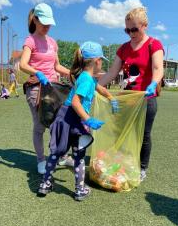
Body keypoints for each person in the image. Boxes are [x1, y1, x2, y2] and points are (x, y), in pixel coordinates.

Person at [38, 41, 118, 201]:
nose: (102, 63)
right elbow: (75, 102)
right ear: (97, 61)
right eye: (101, 60)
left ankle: (45, 184)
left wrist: (111, 98)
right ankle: (80, 190)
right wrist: (87, 119)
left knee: (56, 153)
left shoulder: (86, 77)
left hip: (66, 117)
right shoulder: (87, 80)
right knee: (78, 156)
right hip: (73, 117)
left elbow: (99, 87)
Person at [99, 7, 164, 181]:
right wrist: (94, 86)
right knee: (120, 132)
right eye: (127, 30)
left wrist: (153, 83)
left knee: (144, 135)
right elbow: (112, 72)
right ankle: (121, 162)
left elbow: (158, 69)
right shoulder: (124, 48)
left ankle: (142, 168)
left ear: (145, 26)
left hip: (146, 99)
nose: (130, 33)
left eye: (134, 29)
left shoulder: (154, 45)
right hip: (127, 100)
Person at [19, 3, 74, 174]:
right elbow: (22, 64)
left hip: (54, 89)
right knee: (40, 126)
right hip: (36, 88)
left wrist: (74, 74)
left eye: (49, 24)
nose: (47, 27)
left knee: (59, 124)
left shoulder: (53, 42)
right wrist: (38, 73)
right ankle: (41, 160)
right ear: (35, 20)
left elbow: (57, 67)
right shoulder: (30, 40)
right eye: (44, 23)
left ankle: (61, 156)